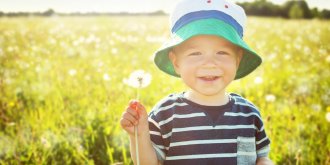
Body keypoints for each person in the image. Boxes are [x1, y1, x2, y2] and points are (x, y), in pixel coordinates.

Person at [120, 0, 273, 164]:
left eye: (222, 52)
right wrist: (139, 136)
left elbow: (262, 157)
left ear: (237, 59)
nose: (209, 63)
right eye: (195, 53)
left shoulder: (249, 114)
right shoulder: (165, 114)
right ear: (176, 62)